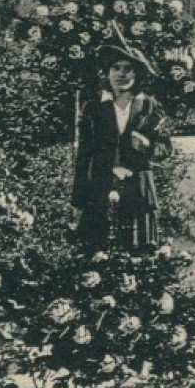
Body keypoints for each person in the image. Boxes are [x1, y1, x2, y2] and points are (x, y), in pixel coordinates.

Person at [72, 36, 172, 250]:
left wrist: (148, 146)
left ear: (138, 74)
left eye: (128, 68)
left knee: (138, 253)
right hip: (101, 186)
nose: (121, 74)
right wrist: (79, 197)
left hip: (138, 187)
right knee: (97, 252)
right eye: (116, 68)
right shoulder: (95, 107)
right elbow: (84, 154)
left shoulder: (149, 106)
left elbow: (165, 147)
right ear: (107, 74)